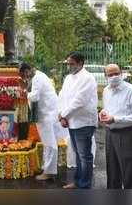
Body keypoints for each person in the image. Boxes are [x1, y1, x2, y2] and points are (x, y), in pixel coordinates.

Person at [101, 64, 132, 189]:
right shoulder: (106, 90)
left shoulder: (131, 90)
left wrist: (115, 119)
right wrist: (103, 114)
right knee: (112, 169)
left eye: (116, 73)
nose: (114, 77)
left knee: (128, 170)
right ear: (105, 77)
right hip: (110, 134)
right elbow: (107, 109)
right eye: (110, 75)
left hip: (127, 134)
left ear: (121, 73)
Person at [58, 52, 98, 189]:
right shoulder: (68, 78)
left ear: (81, 63)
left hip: (84, 122)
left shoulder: (88, 78)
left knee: (84, 156)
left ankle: (84, 185)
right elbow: (62, 96)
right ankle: (77, 182)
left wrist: (64, 114)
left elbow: (79, 101)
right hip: (71, 121)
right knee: (78, 154)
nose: (69, 66)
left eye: (72, 63)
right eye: (68, 63)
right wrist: (62, 115)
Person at [20, 63, 59, 181]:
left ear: (28, 70)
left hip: (47, 114)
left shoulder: (37, 78)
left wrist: (24, 92)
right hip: (46, 113)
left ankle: (49, 172)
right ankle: (46, 168)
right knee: (48, 143)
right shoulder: (39, 76)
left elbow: (35, 97)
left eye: (24, 74)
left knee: (49, 144)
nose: (25, 77)